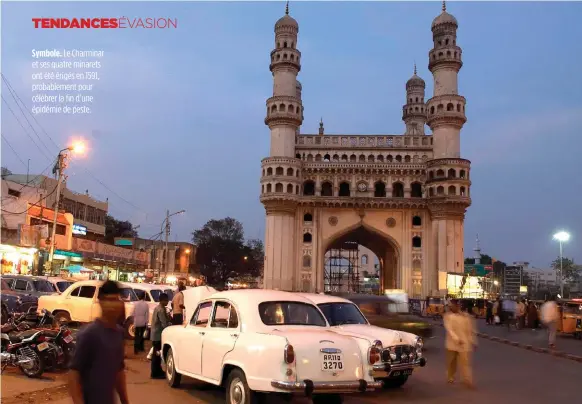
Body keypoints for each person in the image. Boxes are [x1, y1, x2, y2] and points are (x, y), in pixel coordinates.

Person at [68, 281, 129, 404]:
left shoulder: (119, 334)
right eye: (108, 300)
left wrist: (125, 401)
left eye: (115, 300)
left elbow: (119, 371)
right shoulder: (89, 334)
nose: (112, 305)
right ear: (100, 302)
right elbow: (74, 374)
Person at [443, 299, 477, 389]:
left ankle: (467, 380)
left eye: (455, 305)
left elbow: (470, 330)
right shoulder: (448, 316)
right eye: (451, 306)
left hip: (464, 344)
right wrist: (457, 339)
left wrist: (473, 341)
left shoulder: (466, 316)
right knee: (451, 363)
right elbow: (450, 329)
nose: (452, 307)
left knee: (465, 363)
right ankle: (450, 377)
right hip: (452, 343)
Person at [150, 293, 171, 379]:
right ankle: (155, 373)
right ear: (162, 300)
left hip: (155, 334)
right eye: (166, 300)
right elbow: (164, 323)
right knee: (157, 355)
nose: (167, 302)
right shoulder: (161, 310)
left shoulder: (158, 308)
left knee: (156, 354)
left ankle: (157, 371)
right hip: (158, 335)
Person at [133, 290, 149, 355]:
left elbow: (133, 313)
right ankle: (141, 348)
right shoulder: (146, 304)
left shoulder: (135, 304)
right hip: (143, 321)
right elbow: (147, 314)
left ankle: (135, 349)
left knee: (136, 336)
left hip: (136, 321)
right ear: (144, 297)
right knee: (142, 335)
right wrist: (147, 322)